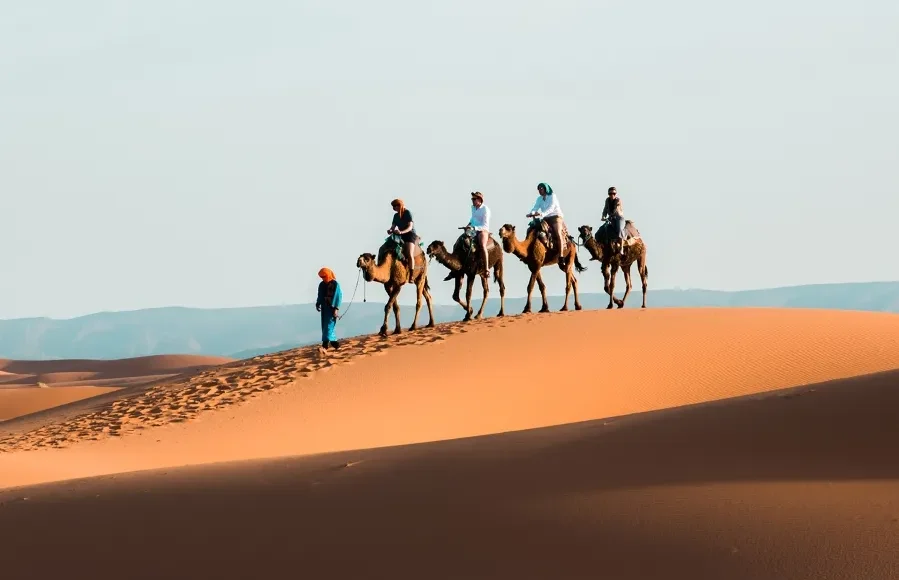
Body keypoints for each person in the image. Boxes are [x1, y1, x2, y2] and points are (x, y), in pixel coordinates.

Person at [526, 182, 566, 257]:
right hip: (546, 218)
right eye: (538, 189)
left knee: (558, 233)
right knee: (531, 230)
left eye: (541, 189)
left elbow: (551, 208)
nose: (540, 190)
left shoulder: (552, 196)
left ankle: (561, 255)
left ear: (545, 189)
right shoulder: (539, 199)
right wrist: (531, 213)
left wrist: (541, 214)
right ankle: (529, 253)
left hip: (555, 217)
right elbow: (535, 207)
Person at [388, 198, 417, 282]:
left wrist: (401, 232)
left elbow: (410, 226)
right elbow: (393, 227)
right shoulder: (395, 216)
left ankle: (411, 275)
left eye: (395, 206)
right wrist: (390, 230)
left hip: (409, 234)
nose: (394, 208)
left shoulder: (407, 213)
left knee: (409, 253)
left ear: (399, 205)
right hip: (399, 234)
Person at [315, 267, 342, 350]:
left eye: (324, 276)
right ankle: (332, 344)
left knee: (329, 325)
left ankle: (327, 345)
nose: (323, 278)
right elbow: (320, 295)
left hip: (332, 308)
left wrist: (336, 308)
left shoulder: (335, 284)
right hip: (324, 308)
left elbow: (338, 297)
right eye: (322, 277)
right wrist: (318, 303)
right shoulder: (321, 284)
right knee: (325, 326)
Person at [468, 191, 490, 276]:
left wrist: (475, 228)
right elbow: (472, 219)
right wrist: (468, 225)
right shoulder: (473, 208)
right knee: (462, 240)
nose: (472, 201)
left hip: (482, 230)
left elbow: (485, 225)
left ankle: (486, 269)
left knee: (482, 245)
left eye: (474, 199)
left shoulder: (485, 209)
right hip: (472, 230)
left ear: (479, 200)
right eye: (472, 199)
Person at [602, 186, 626, 254]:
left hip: (619, 218)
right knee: (605, 230)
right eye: (610, 194)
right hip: (611, 219)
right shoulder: (607, 200)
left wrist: (610, 216)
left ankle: (621, 248)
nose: (612, 195)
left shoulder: (618, 200)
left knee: (619, 230)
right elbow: (605, 209)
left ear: (615, 194)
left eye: (614, 194)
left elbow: (616, 209)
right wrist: (603, 216)